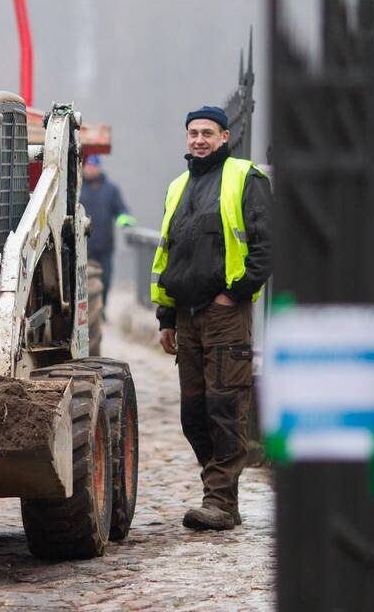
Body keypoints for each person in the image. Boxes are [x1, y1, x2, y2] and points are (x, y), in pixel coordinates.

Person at [151, 105, 271, 531]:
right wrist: (166, 315)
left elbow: (266, 245)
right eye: (192, 133)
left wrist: (233, 295)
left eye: (207, 133)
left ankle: (219, 500)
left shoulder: (245, 178)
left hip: (224, 315)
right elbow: (168, 253)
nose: (199, 140)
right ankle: (220, 490)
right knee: (193, 414)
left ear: (224, 138)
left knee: (225, 407)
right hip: (186, 315)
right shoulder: (178, 186)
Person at [79, 154, 135, 308]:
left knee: (106, 280)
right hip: (83, 247)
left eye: (94, 166)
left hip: (105, 246)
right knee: (85, 282)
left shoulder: (111, 189)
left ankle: (101, 308)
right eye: (88, 166)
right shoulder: (77, 188)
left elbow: (121, 209)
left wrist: (125, 219)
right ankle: (88, 310)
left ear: (98, 168)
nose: (91, 169)